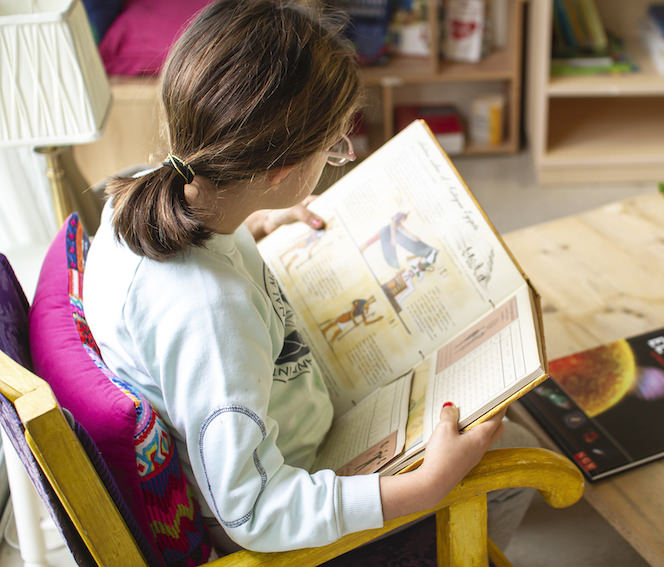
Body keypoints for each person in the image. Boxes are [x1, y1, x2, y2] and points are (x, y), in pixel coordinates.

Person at [83, 0, 531, 556]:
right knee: (514, 470)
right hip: (291, 504)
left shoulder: (154, 183)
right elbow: (252, 510)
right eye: (334, 147)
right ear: (281, 172)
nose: (339, 154)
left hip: (286, 409)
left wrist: (259, 215)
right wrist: (426, 487)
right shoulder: (209, 314)